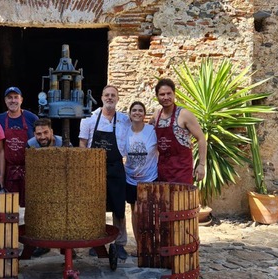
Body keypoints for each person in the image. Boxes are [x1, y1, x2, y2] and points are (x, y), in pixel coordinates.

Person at [79, 85, 131, 261]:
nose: (110, 98)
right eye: (107, 95)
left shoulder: (124, 120)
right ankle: (96, 242)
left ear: (117, 98)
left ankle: (120, 244)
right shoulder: (90, 119)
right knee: (95, 205)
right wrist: (86, 168)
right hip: (94, 168)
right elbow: (83, 144)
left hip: (116, 166)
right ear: (101, 97)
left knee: (118, 206)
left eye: (113, 95)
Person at [151, 78, 207, 184]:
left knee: (181, 200)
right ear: (157, 96)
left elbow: (201, 138)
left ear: (174, 94)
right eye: (162, 94)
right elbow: (146, 134)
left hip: (182, 170)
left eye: (169, 93)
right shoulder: (156, 115)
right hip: (162, 170)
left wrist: (201, 165)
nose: (166, 97)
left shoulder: (184, 114)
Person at [0, 87, 39, 207]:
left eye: (15, 97)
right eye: (9, 98)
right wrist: (2, 175)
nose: (13, 101)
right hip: (8, 172)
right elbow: (0, 149)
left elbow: (41, 141)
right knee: (9, 209)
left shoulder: (32, 118)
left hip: (29, 171)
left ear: (21, 100)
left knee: (29, 208)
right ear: (5, 100)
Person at [25, 117, 63, 257]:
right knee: (40, 216)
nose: (43, 137)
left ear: (51, 131)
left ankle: (66, 246)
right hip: (40, 185)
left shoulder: (63, 143)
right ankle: (42, 245)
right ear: (34, 134)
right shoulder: (30, 145)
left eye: (45, 132)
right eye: (39, 134)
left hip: (60, 184)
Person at [124, 101, 158, 246]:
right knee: (135, 212)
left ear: (144, 114)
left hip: (150, 178)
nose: (137, 112)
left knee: (150, 212)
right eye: (134, 110)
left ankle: (150, 245)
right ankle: (139, 245)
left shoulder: (152, 130)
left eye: (140, 110)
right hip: (131, 179)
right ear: (130, 114)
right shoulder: (124, 131)